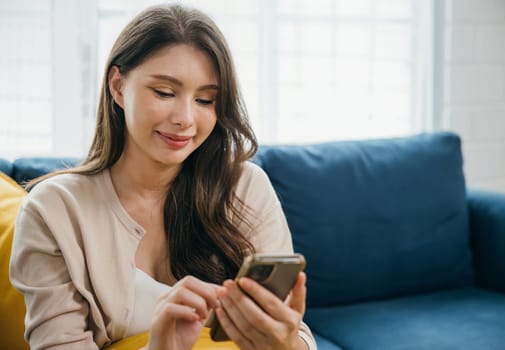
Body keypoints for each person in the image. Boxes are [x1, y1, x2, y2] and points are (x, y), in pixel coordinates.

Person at [9, 3, 317, 350]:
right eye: (165, 93)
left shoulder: (245, 186)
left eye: (205, 100)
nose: (185, 118)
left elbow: (296, 332)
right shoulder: (54, 211)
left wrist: (287, 341)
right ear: (118, 86)